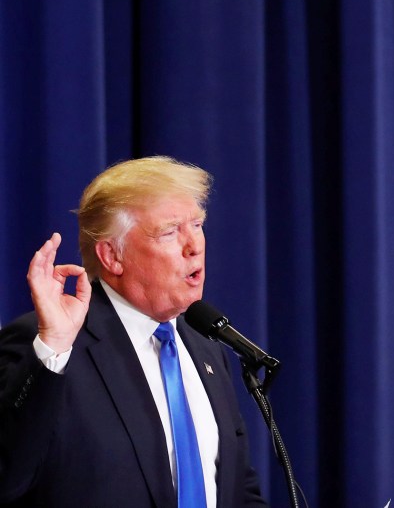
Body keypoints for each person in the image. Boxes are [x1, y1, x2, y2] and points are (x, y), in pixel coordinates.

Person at [0, 156, 267, 506]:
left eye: (197, 224)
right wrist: (53, 347)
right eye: (170, 232)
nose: (194, 246)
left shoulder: (206, 347)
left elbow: (237, 488)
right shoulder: (49, 344)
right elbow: (7, 477)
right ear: (112, 256)